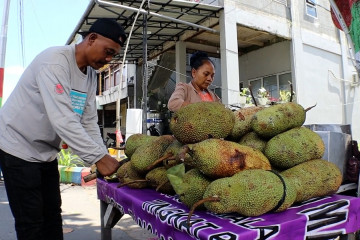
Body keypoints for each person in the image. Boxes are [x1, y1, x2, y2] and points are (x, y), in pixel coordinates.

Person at [0, 18, 126, 240]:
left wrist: (103, 155)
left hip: (46, 154)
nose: (108, 59)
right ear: (91, 38)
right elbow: (63, 119)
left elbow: (88, 121)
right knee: (31, 222)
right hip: (16, 147)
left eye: (113, 55)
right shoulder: (54, 62)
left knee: (52, 217)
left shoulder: (90, 75)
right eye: (107, 51)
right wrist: (99, 157)